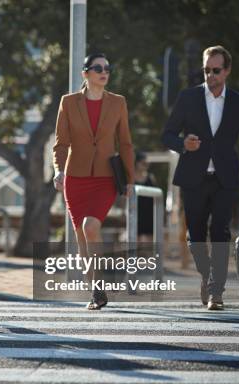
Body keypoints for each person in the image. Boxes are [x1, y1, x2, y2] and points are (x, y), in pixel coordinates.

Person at [162, 45, 239, 311]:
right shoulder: (188, 98)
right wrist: (183, 144)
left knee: (220, 232)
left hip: (225, 180)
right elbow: (167, 135)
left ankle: (216, 290)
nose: (210, 75)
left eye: (216, 70)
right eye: (206, 70)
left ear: (226, 71)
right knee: (195, 236)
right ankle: (206, 274)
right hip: (193, 177)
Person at [53, 53, 135, 310]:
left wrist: (130, 179)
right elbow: (61, 143)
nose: (104, 72)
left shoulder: (118, 103)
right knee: (81, 237)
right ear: (85, 73)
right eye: (98, 68)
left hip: (105, 179)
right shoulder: (68, 102)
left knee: (91, 227)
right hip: (75, 179)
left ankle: (98, 285)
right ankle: (96, 291)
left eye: (107, 68)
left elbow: (125, 142)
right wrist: (58, 170)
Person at [134, 151, 157, 242]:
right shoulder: (131, 179)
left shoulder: (151, 177)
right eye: (142, 162)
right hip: (136, 213)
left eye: (146, 163)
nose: (145, 165)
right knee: (135, 240)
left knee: (149, 241)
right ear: (136, 163)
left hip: (149, 214)